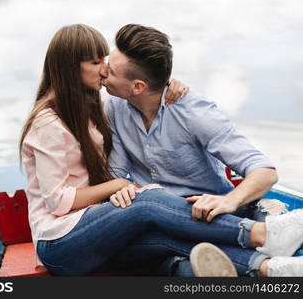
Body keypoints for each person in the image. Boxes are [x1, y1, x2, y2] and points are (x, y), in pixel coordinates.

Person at [20, 23, 303, 277]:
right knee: (151, 203)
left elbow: (264, 170)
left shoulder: (185, 110)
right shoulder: (107, 108)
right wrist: (116, 186)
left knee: (164, 242)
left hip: (199, 213)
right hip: (71, 235)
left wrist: (229, 201)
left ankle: (272, 270)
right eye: (98, 63)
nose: (104, 71)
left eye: (107, 64)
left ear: (139, 86)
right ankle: (263, 235)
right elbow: (92, 186)